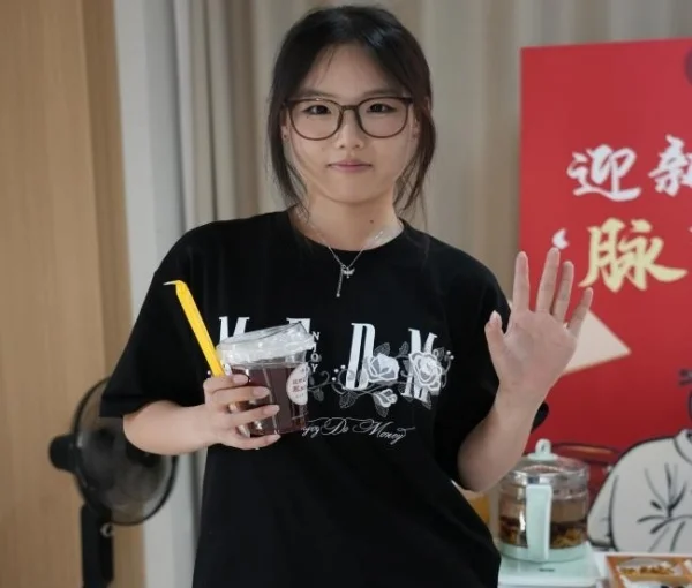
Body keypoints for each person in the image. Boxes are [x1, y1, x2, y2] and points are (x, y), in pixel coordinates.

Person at [100, 5, 593, 588]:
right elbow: (138, 419)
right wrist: (206, 423)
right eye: (318, 109)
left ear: (416, 122)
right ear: (285, 124)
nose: (348, 136)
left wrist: (521, 396)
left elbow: (474, 471)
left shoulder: (460, 285)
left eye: (378, 108)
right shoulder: (211, 261)